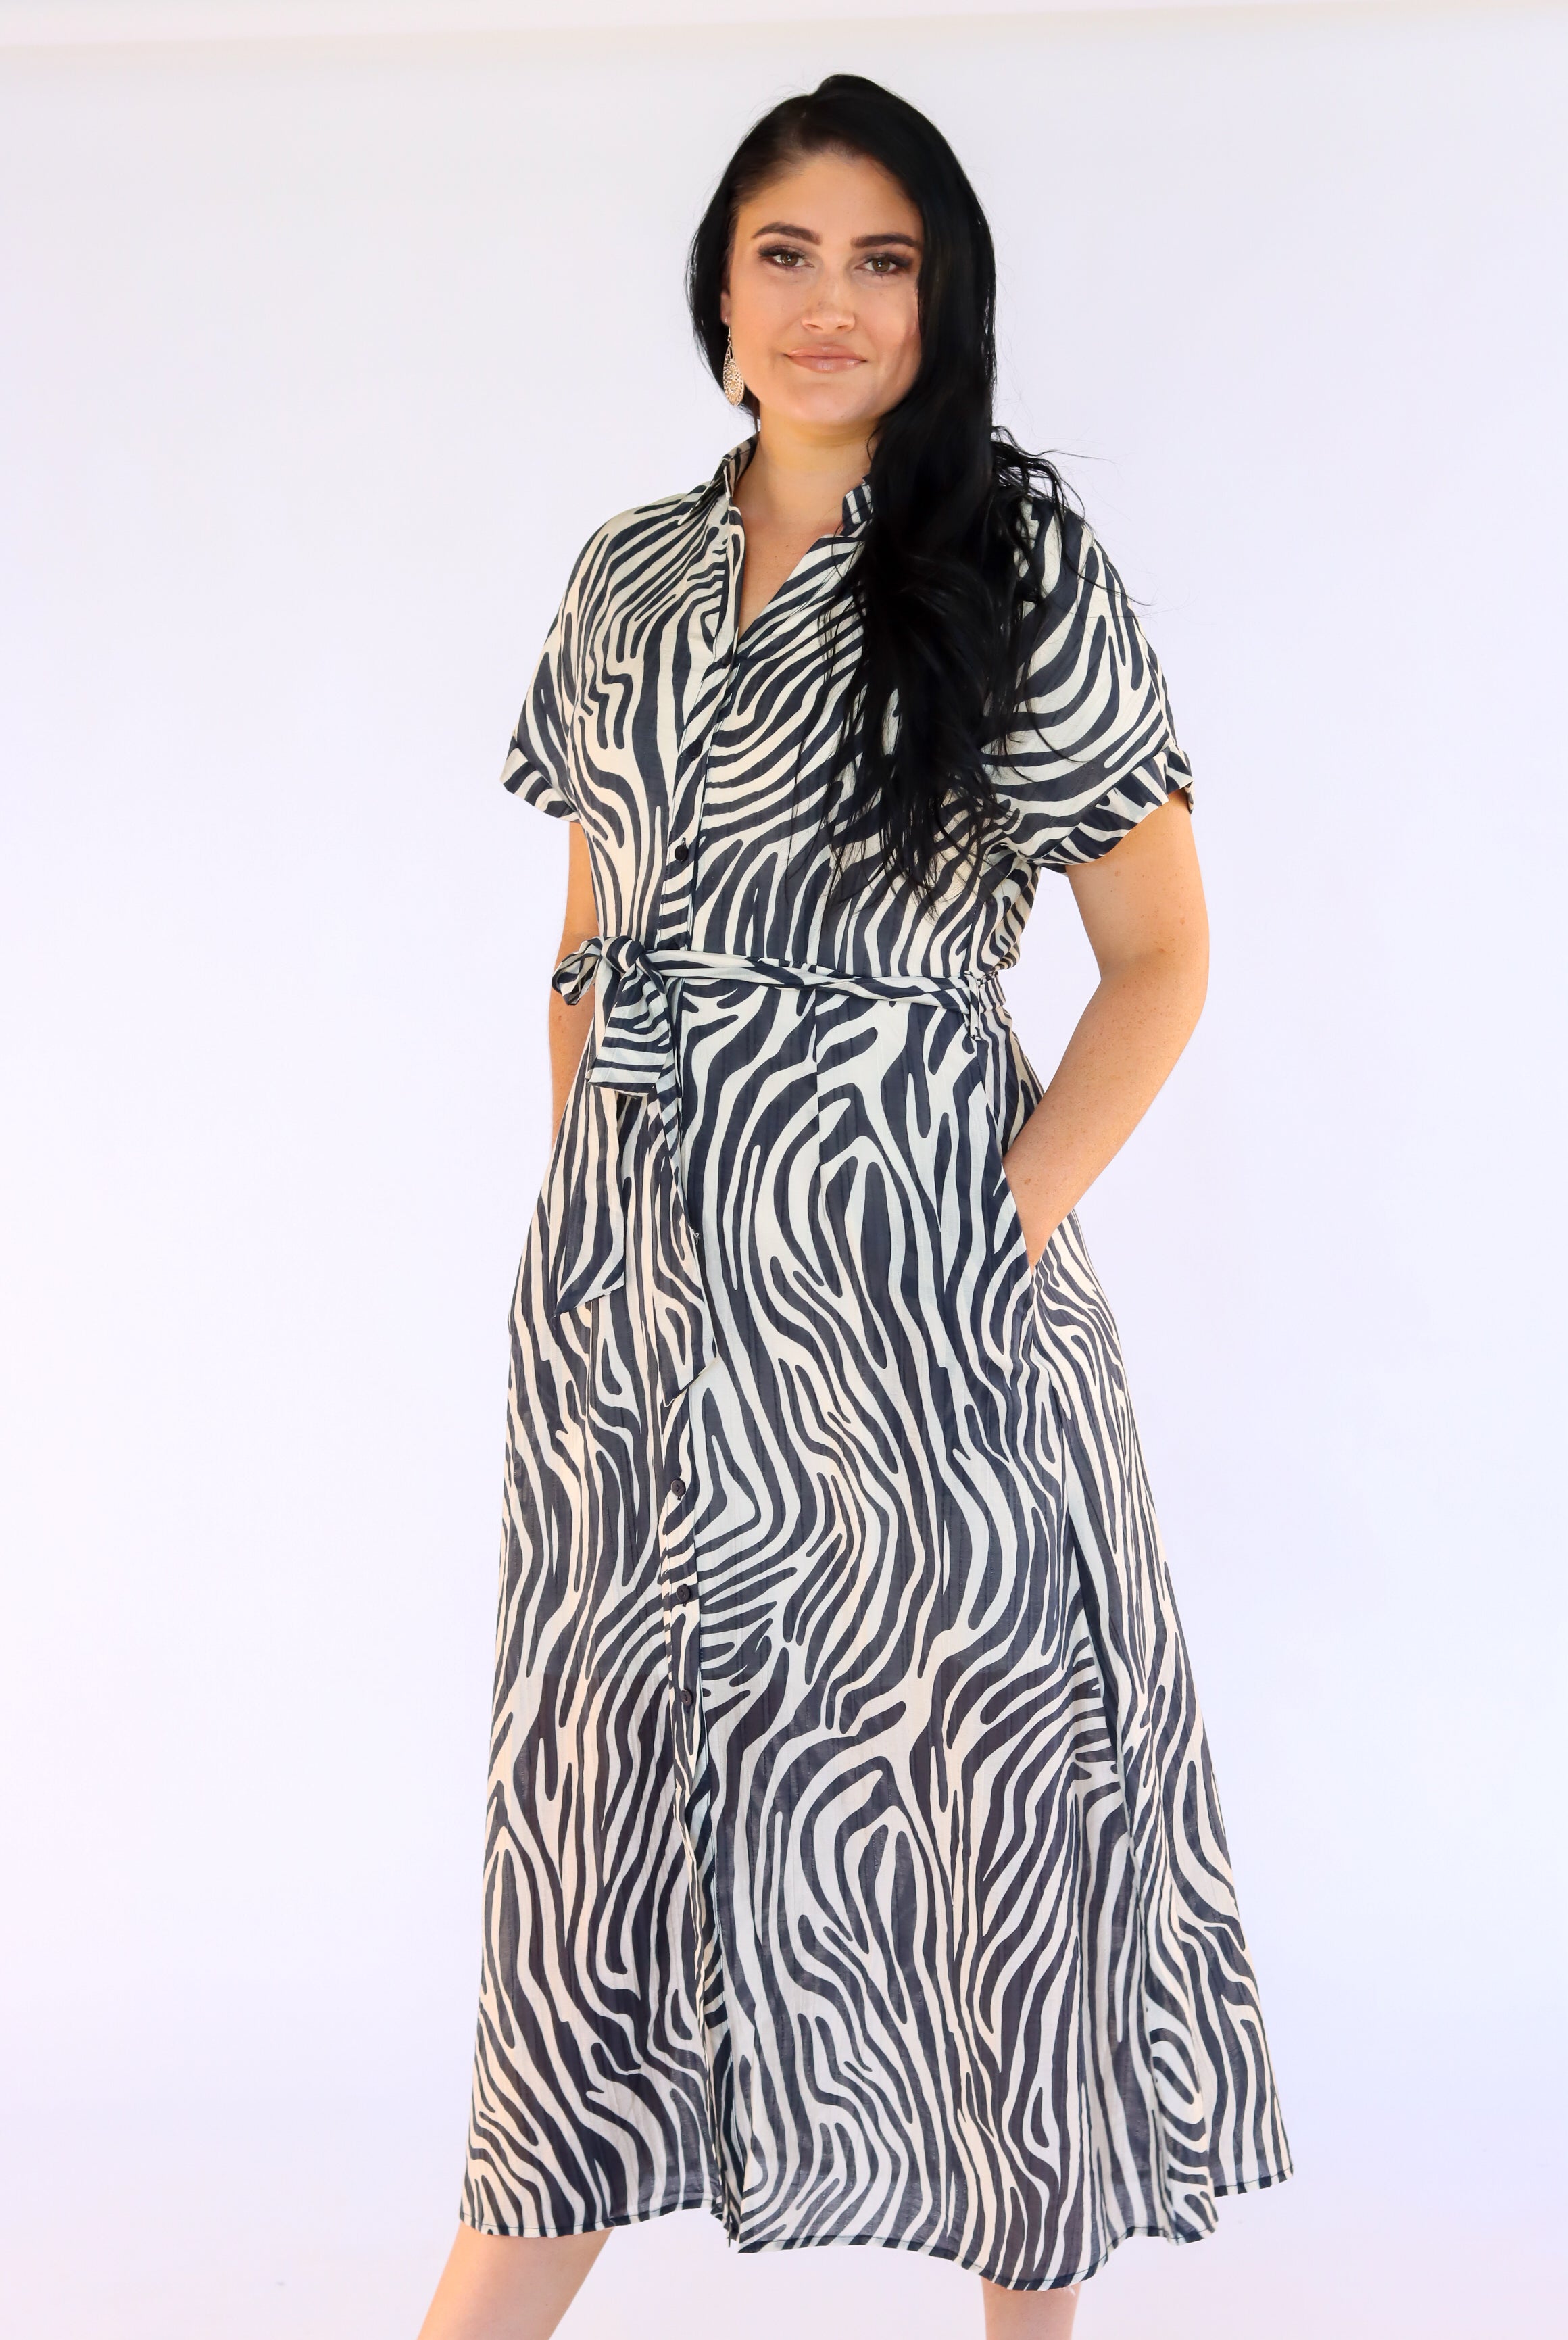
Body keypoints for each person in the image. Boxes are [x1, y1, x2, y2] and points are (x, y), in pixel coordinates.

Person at [418, 73, 1290, 2340]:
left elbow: (1162, 955)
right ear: (718, 290)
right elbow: (590, 921)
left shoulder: (1015, 571)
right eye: (787, 254)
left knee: (986, 1836)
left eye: (882, 261)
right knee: (600, 1858)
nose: (829, 304)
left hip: (928, 1336)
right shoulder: (620, 574)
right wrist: (594, 1201)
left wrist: (992, 1226)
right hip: (633, 1337)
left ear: (943, 304)